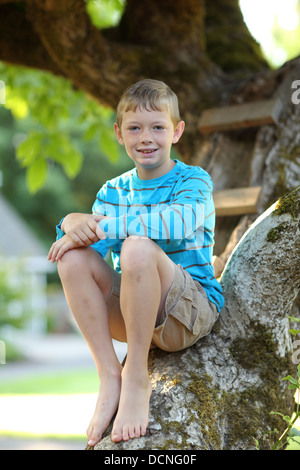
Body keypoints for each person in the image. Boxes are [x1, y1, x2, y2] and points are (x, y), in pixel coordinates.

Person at [47, 79, 224, 447]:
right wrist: (68, 222)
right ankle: (110, 374)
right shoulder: (114, 191)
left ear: (176, 131)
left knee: (137, 249)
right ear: (119, 133)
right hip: (134, 314)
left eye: (158, 127)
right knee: (71, 259)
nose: (146, 137)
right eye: (134, 128)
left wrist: (101, 224)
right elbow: (90, 255)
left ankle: (137, 377)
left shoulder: (193, 180)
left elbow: (177, 223)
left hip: (188, 313)